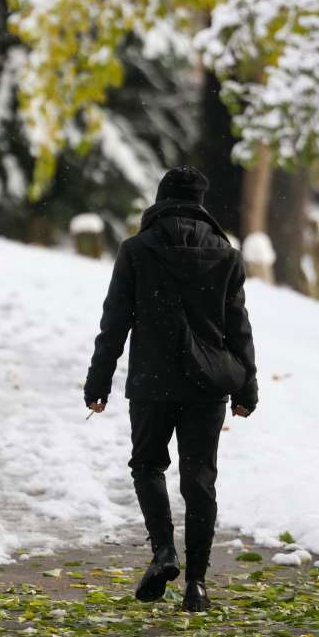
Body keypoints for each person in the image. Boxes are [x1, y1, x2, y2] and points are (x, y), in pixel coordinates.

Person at [84, 165, 258, 612]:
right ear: (201, 206)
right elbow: (238, 330)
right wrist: (247, 388)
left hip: (151, 383)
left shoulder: (136, 250)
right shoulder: (226, 255)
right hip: (207, 386)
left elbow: (114, 324)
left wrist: (98, 381)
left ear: (161, 199)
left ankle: (163, 552)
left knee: (147, 466)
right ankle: (196, 584)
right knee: (200, 481)